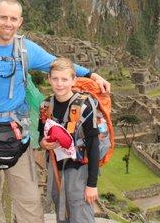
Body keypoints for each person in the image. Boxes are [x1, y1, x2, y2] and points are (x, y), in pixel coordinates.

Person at [0, 0, 110, 223]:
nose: (8, 23)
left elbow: (56, 64)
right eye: (3, 17)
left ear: (20, 21)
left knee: (28, 199)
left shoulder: (25, 49)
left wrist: (90, 74)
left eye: (13, 18)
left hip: (16, 132)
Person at [39, 58, 99, 223]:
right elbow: (40, 135)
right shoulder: (45, 105)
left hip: (78, 171)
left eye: (65, 79)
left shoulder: (85, 106)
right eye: (55, 79)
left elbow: (94, 145)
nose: (59, 84)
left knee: (80, 216)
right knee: (61, 214)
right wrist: (42, 143)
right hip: (55, 169)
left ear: (73, 80)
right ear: (49, 79)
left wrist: (92, 184)